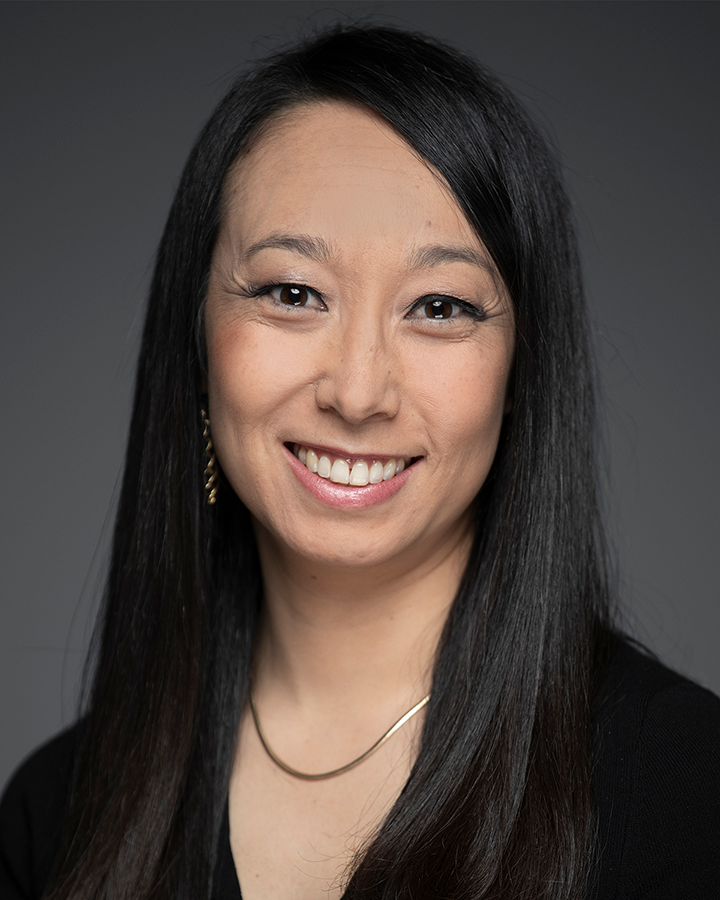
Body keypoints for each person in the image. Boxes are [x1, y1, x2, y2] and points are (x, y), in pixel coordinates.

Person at [1, 24, 718, 900]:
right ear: (196, 343)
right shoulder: (59, 812)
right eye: (293, 293)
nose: (358, 389)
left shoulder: (683, 786)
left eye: (440, 306)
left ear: (522, 374)